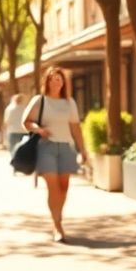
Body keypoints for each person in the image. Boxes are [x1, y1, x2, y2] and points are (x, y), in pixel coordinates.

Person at [23, 66, 88, 243]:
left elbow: (75, 127)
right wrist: (39, 129)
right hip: (46, 147)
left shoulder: (69, 103)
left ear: (63, 82)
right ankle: (57, 225)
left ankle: (57, 218)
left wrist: (83, 150)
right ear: (48, 81)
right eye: (53, 78)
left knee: (63, 186)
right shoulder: (40, 100)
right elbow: (26, 122)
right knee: (53, 186)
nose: (56, 81)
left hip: (67, 147)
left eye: (59, 79)